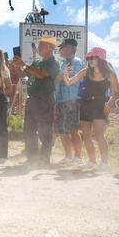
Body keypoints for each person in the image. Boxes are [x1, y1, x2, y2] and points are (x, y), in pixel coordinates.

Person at [63, 47, 119, 172]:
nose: (89, 60)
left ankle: (105, 163)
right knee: (86, 135)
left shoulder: (109, 73)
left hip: (101, 104)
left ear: (100, 59)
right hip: (86, 104)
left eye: (92, 57)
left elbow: (117, 92)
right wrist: (65, 74)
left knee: (99, 134)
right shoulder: (86, 71)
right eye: (88, 57)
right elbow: (69, 83)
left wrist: (109, 104)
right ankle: (92, 161)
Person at [13, 36, 60, 166]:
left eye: (42, 45)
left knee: (44, 130)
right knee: (29, 129)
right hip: (33, 99)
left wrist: (23, 65)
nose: (39, 48)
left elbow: (41, 74)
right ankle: (32, 158)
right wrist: (18, 67)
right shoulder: (37, 62)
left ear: (50, 47)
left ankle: (44, 160)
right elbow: (23, 75)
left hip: (44, 99)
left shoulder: (54, 63)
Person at [54, 38, 85, 167]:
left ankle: (77, 157)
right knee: (62, 130)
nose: (60, 50)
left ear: (71, 48)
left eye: (63, 47)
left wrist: (61, 77)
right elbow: (59, 79)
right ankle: (68, 156)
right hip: (61, 101)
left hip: (72, 100)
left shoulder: (77, 62)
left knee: (72, 129)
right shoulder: (62, 64)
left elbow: (69, 80)